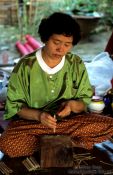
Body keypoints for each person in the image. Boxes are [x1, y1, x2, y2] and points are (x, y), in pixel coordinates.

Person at [0, 12, 113, 158]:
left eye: (67, 44)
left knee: (110, 125)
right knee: (6, 143)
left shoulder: (76, 64)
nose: (61, 49)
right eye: (56, 42)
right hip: (34, 125)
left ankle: (56, 143)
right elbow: (14, 107)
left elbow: (84, 101)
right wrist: (39, 115)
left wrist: (72, 105)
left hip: (69, 124)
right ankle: (63, 143)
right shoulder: (25, 66)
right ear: (45, 38)